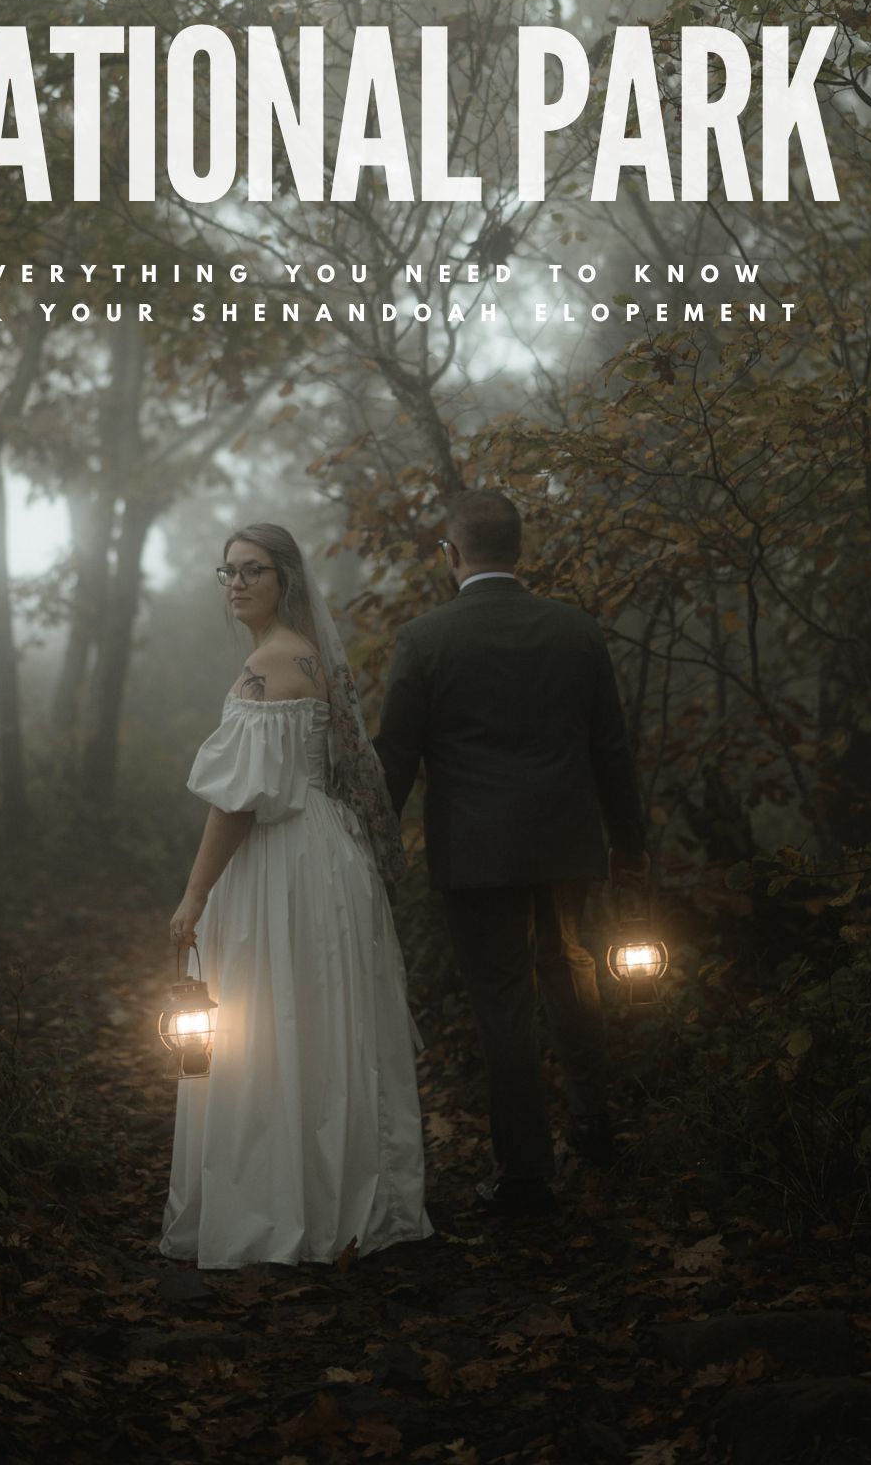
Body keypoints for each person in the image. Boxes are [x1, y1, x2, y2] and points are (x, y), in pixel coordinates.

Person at [161, 521, 434, 1268]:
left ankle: (283, 1210)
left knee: (277, 1019)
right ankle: (324, 1196)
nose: (237, 583)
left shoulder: (270, 667)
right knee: (311, 1021)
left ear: (286, 579)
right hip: (325, 852)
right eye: (227, 572)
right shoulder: (305, 656)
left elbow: (239, 803)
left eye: (253, 570)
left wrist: (193, 895)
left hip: (285, 860)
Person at [374, 489, 648, 1216]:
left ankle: (525, 1174)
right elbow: (612, 751)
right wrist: (632, 846)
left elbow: (395, 756)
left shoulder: (425, 641)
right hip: (565, 843)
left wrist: (369, 844)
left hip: (477, 851)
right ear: (518, 550)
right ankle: (594, 1130)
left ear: (451, 555)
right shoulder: (576, 631)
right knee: (573, 974)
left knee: (504, 1005)